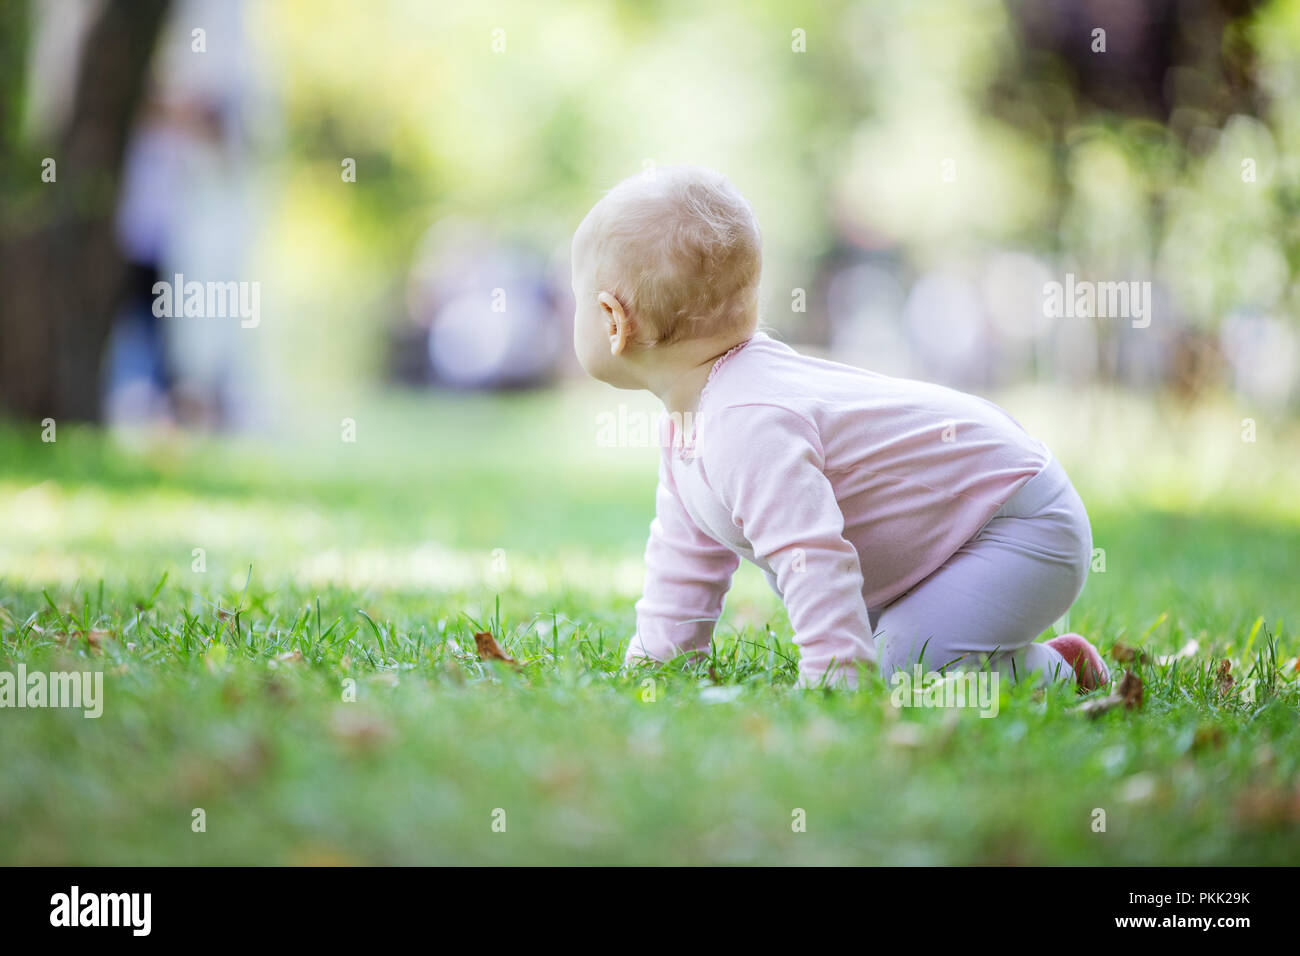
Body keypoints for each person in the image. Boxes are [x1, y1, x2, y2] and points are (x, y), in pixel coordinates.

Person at [570, 165, 1108, 691]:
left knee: (905, 664)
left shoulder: (747, 423)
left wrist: (836, 677)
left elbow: (813, 557)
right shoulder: (691, 419)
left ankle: (1061, 672)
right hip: (960, 535)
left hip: (1017, 522)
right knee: (896, 642)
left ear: (613, 321)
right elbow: (686, 558)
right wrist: (660, 663)